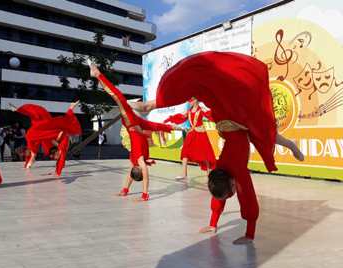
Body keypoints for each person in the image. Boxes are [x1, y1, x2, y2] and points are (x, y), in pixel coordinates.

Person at [126, 51, 304, 243]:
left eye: (230, 193)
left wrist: (249, 235)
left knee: (202, 86)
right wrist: (213, 223)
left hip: (228, 118)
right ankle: (291, 145)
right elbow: (228, 195)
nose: (233, 194)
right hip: (234, 120)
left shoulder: (221, 172)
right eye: (231, 194)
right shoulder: (232, 172)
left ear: (232, 184)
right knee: (260, 131)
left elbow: (247, 200)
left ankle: (150, 106)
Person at [88, 59, 183, 202]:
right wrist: (144, 196)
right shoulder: (139, 160)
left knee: (157, 124)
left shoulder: (135, 160)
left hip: (135, 126)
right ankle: (97, 74)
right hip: (134, 124)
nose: (136, 168)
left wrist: (124, 190)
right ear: (138, 169)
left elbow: (131, 174)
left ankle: (177, 125)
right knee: (119, 97)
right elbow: (145, 175)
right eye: (137, 169)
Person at [163, 97, 216, 179]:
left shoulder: (201, 110)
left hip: (200, 133)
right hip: (191, 133)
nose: (188, 102)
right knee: (184, 150)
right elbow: (178, 116)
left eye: (190, 100)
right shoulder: (188, 111)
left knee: (205, 152)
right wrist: (166, 120)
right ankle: (184, 173)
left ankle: (209, 173)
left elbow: (212, 114)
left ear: (195, 100)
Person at [9, 103, 52, 169]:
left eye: (25, 154)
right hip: (36, 129)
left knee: (33, 114)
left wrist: (32, 159)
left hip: (35, 130)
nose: (26, 156)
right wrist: (26, 165)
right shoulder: (29, 147)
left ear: (26, 151)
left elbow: (31, 152)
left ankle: (17, 109)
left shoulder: (30, 145)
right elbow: (28, 156)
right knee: (33, 114)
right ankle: (17, 109)